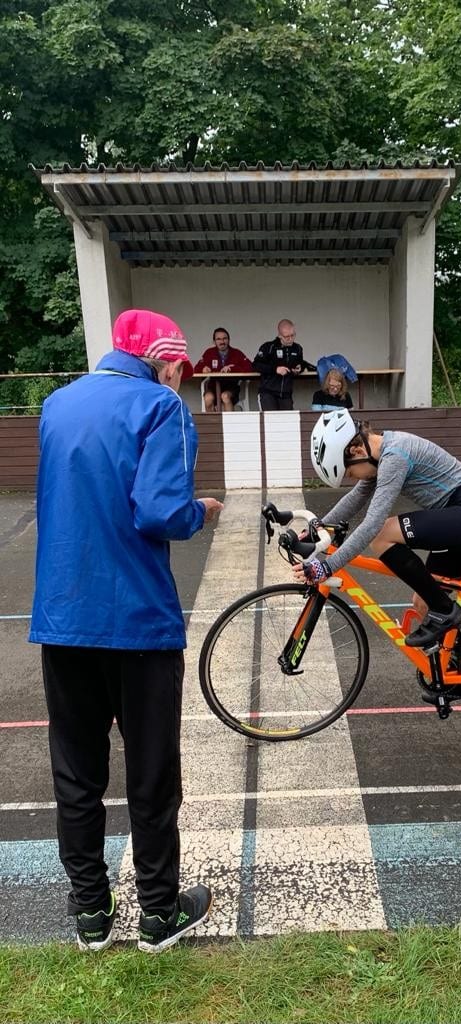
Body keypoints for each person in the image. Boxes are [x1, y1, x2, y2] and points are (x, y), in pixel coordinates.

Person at [29, 308, 224, 953]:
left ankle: (90, 912)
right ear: (164, 359)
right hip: (138, 617)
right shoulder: (162, 407)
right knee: (150, 773)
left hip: (64, 615)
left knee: (77, 771)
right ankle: (158, 913)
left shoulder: (57, 405)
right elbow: (160, 511)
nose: (182, 376)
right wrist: (200, 510)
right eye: (180, 366)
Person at [294, 410, 461, 658]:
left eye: (349, 473)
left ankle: (446, 611)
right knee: (423, 602)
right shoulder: (379, 453)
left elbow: (372, 524)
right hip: (459, 515)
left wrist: (327, 567)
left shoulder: (394, 456)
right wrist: (316, 528)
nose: (352, 478)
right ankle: (456, 675)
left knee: (382, 534)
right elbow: (357, 497)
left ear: (357, 451)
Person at [193, 326, 253, 411]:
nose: (222, 341)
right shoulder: (209, 353)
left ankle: (229, 423)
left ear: (229, 340)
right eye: (219, 339)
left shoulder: (236, 353)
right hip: (213, 386)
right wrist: (203, 369)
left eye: (225, 338)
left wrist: (233, 369)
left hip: (231, 387)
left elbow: (250, 367)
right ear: (214, 341)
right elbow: (196, 369)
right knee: (208, 398)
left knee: (225, 396)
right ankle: (212, 423)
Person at [252, 318, 307, 410]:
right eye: (286, 336)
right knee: (270, 422)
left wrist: (299, 368)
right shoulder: (269, 347)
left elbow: (301, 363)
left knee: (287, 422)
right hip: (268, 393)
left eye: (293, 335)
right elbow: (256, 365)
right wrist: (275, 369)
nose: (290, 339)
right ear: (279, 335)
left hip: (286, 394)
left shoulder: (297, 348)